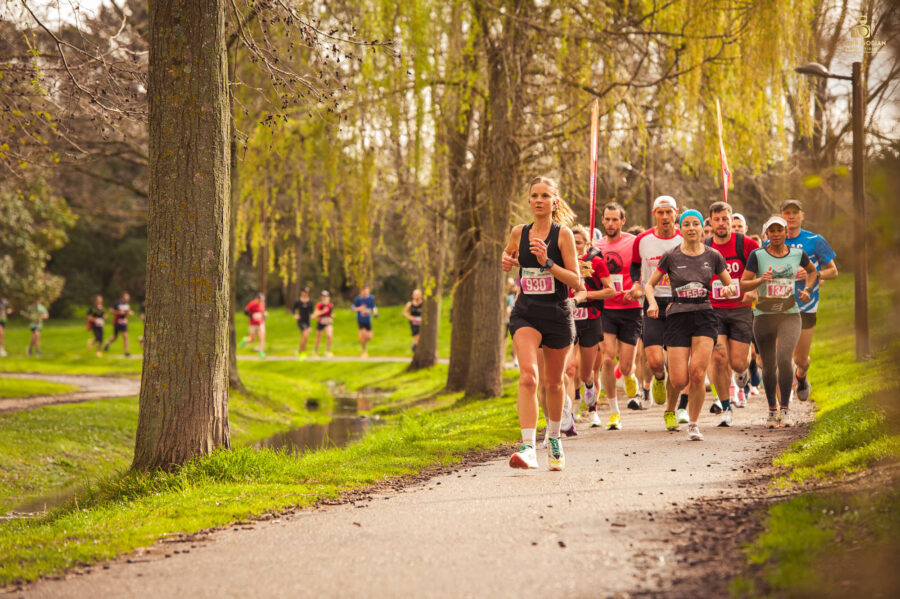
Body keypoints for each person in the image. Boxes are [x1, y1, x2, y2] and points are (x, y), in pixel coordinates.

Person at [502, 176, 582, 471]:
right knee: (528, 377)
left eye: (545, 196)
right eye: (534, 195)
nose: (538, 200)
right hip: (526, 313)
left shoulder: (563, 236)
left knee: (553, 382)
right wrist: (506, 261)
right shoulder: (519, 232)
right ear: (529, 201)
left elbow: (576, 280)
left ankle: (554, 437)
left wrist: (548, 262)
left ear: (554, 202)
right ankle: (527, 447)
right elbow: (508, 255)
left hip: (558, 314)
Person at [645, 209, 736, 440]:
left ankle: (694, 424)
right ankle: (670, 408)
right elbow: (649, 284)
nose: (692, 228)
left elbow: (732, 285)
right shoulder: (671, 256)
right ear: (680, 228)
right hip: (677, 317)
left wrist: (728, 289)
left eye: (696, 223)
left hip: (704, 316)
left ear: (701, 227)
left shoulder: (713, 256)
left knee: (697, 373)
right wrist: (652, 303)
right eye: (687, 224)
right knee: (678, 379)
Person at [741, 216, 818, 428]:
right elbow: (744, 284)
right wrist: (760, 281)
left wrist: (808, 290)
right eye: (771, 231)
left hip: (789, 314)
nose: (775, 234)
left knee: (784, 359)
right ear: (766, 234)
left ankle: (785, 410)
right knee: (768, 364)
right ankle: (772, 411)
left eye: (779, 230)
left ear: (786, 233)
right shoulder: (757, 255)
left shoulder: (797, 254)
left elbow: (812, 272)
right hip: (764, 315)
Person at [705, 201, 760, 426]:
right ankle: (726, 407)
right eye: (716, 219)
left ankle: (742, 374)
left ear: (731, 220)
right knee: (718, 359)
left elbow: (760, 272)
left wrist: (754, 291)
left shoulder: (746, 245)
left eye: (724, 219)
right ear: (710, 222)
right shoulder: (705, 246)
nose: (721, 223)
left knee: (738, 363)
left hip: (740, 310)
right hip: (713, 310)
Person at [780, 199, 838, 402]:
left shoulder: (815, 240)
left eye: (795, 212)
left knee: (800, 359)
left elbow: (833, 271)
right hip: (779, 305)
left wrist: (814, 275)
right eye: (787, 212)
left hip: (806, 305)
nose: (791, 216)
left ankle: (801, 376)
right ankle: (781, 409)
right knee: (783, 358)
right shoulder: (772, 241)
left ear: (802, 215)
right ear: (781, 216)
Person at [630, 196, 684, 412]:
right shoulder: (642, 240)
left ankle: (675, 406)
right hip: (652, 303)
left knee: (675, 361)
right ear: (654, 214)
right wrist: (636, 284)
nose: (665, 217)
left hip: (678, 303)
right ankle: (659, 379)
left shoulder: (683, 240)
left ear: (676, 213)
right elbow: (635, 266)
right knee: (654, 361)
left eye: (669, 212)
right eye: (660, 212)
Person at [595, 202, 644, 426]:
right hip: (606, 309)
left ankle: (630, 376)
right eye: (608, 219)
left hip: (631, 309)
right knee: (606, 359)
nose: (611, 223)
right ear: (602, 221)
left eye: (616, 219)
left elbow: (644, 271)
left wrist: (636, 289)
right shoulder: (596, 246)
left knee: (625, 366)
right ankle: (614, 411)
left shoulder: (633, 243)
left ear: (622, 221)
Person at [566, 225, 615, 430]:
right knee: (569, 369)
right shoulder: (561, 262)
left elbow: (611, 291)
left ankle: (591, 401)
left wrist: (588, 295)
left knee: (587, 374)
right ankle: (567, 415)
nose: (574, 246)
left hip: (590, 318)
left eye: (578, 242)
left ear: (587, 244)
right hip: (567, 319)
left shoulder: (595, 262)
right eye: (571, 242)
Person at [103, 292, 134, 357]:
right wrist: (119, 312)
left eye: (128, 297)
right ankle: (107, 343)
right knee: (115, 337)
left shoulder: (127, 304)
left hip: (124, 322)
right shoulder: (117, 303)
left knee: (125, 336)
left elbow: (127, 312)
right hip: (117, 322)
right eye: (127, 297)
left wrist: (130, 313)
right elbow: (110, 311)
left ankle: (126, 352)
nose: (128, 298)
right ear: (122, 297)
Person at [352, 285, 378, 358]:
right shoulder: (358, 299)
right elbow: (353, 308)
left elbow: (373, 306)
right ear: (362, 291)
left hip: (368, 320)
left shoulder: (371, 298)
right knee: (363, 336)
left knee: (369, 337)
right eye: (364, 290)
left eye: (367, 290)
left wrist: (375, 313)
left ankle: (360, 337)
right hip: (360, 320)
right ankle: (364, 352)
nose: (365, 292)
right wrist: (360, 308)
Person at [240, 292, 267, 358]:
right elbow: (245, 312)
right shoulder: (251, 304)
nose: (261, 301)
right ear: (256, 298)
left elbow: (262, 312)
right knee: (252, 339)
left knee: (262, 337)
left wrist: (264, 314)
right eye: (260, 300)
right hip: (253, 324)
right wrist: (252, 316)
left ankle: (261, 352)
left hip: (261, 323)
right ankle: (245, 340)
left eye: (262, 300)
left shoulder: (263, 304)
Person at [292, 287, 315, 359]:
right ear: (301, 292)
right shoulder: (298, 301)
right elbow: (293, 309)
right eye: (304, 292)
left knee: (305, 337)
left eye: (307, 292)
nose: (305, 293)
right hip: (301, 321)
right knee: (305, 335)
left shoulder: (310, 302)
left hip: (307, 321)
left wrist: (314, 315)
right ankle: (301, 351)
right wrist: (295, 315)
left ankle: (301, 350)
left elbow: (311, 312)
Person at [313, 290, 334, 357]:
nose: (324, 298)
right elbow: (315, 314)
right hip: (320, 322)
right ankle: (315, 351)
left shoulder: (330, 305)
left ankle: (328, 351)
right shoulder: (319, 305)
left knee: (329, 335)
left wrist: (332, 316)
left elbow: (331, 314)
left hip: (328, 322)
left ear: (328, 297)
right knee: (319, 337)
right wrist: (323, 311)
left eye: (326, 296)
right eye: (323, 296)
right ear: (321, 297)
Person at [402, 289, 424, 354]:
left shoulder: (423, 304)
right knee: (417, 337)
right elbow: (404, 312)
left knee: (421, 339)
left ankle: (414, 345)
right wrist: (410, 317)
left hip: (421, 323)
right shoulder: (410, 304)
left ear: (421, 296)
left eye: (418, 295)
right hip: (414, 323)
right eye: (415, 295)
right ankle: (417, 351)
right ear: (412, 296)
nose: (417, 297)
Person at [505, 278, 519, 367]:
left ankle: (515, 359)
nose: (512, 287)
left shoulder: (515, 294)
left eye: (513, 285)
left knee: (515, 339)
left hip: (515, 319)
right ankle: (503, 358)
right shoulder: (506, 295)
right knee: (505, 339)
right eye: (510, 285)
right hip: (506, 320)